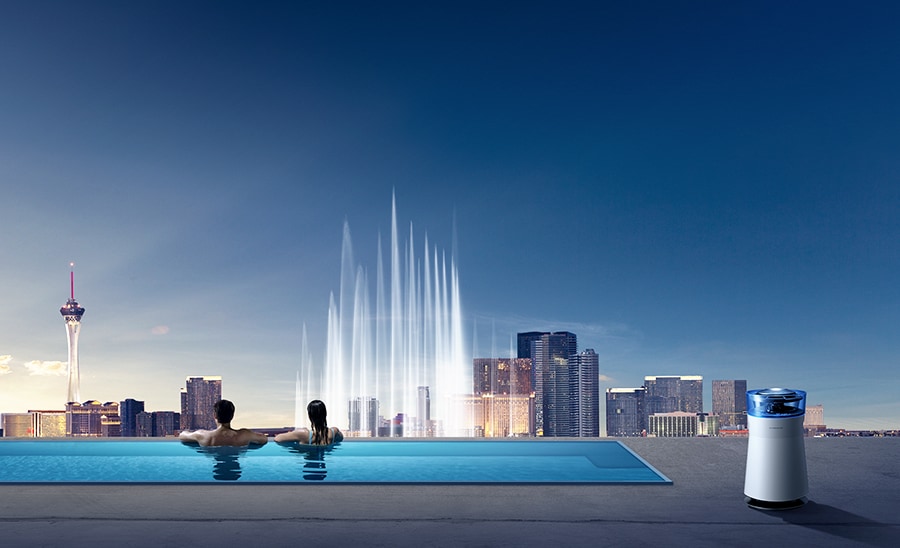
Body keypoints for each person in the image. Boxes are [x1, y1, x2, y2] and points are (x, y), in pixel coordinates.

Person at [179, 399, 268, 447]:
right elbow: (264, 439)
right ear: (232, 416)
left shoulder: (203, 435)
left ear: (215, 416)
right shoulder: (244, 434)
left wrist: (187, 431)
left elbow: (182, 436)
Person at [275, 399, 344, 445]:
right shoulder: (333, 431)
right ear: (325, 414)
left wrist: (291, 434)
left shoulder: (304, 434)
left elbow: (277, 439)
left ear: (309, 415)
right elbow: (340, 439)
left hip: (309, 462)